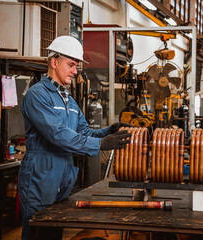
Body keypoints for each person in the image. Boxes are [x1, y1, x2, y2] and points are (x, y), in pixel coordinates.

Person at [18, 36, 131, 240]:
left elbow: (83, 132)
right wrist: (101, 144)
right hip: (41, 177)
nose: (75, 71)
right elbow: (58, 134)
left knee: (54, 232)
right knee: (38, 233)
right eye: (71, 65)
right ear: (54, 62)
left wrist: (109, 131)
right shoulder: (37, 95)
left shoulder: (67, 98)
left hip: (62, 176)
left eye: (76, 66)